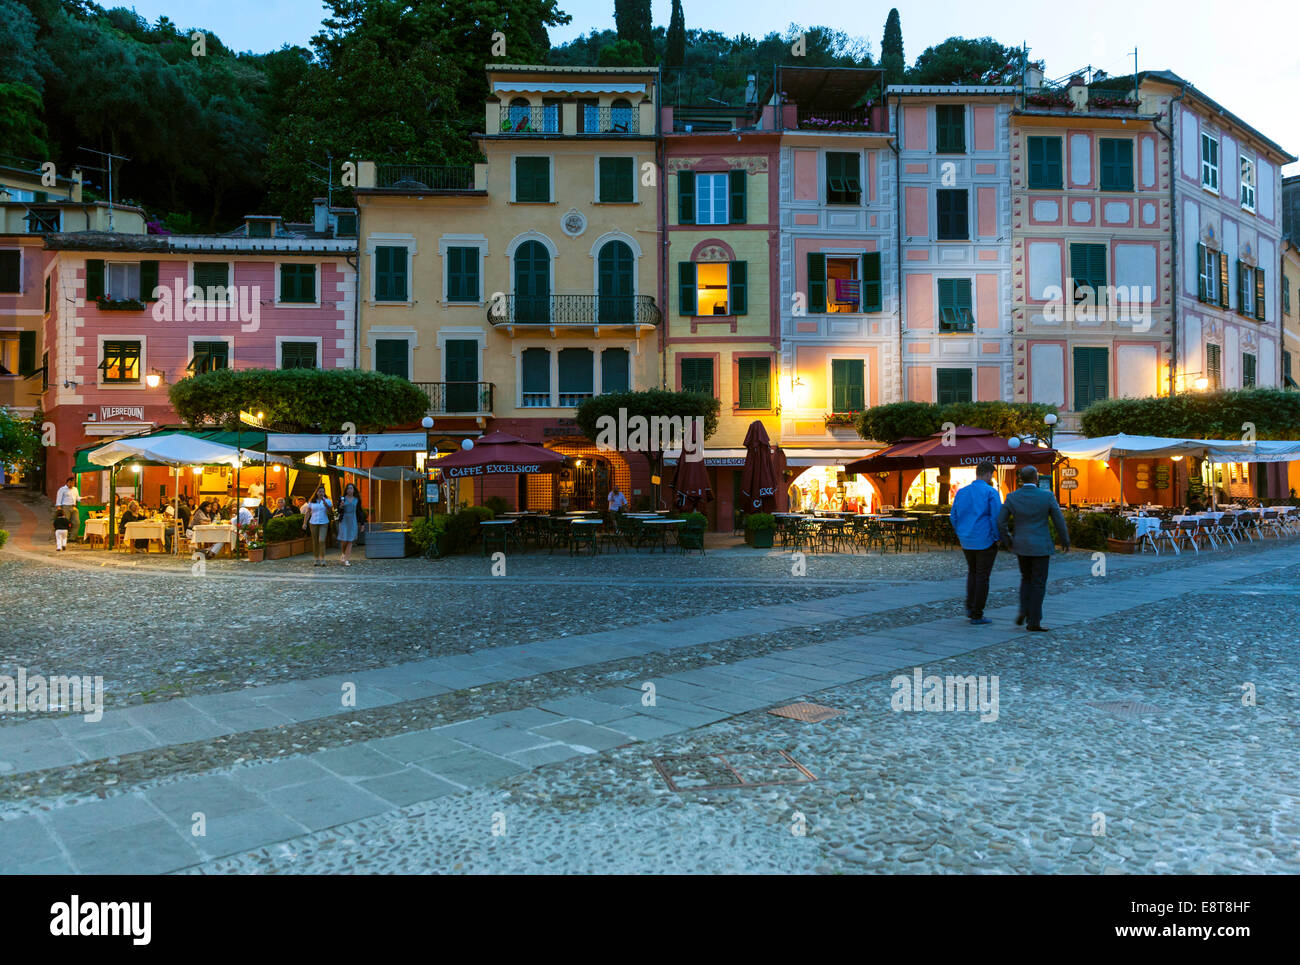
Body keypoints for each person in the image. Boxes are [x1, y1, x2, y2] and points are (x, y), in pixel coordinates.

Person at [997, 465, 1070, 632]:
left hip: (1021, 545)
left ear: (1020, 479)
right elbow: (1058, 520)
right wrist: (1064, 540)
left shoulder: (1012, 497)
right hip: (1041, 546)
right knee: (1038, 582)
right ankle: (1034, 620)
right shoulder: (1047, 496)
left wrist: (1009, 541)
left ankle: (1024, 608)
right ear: (1036, 478)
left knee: (1026, 578)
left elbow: (1000, 522)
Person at [950, 461, 1002, 625]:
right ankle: (977, 613)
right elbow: (996, 518)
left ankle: (970, 607)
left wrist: (961, 532)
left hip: (967, 540)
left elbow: (953, 516)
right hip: (985, 540)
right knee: (982, 577)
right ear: (988, 474)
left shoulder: (962, 492)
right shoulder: (990, 492)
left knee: (972, 573)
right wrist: (997, 537)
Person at [303, 485, 333, 566]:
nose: (321, 493)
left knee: (321, 540)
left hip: (324, 522)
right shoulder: (312, 502)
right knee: (315, 541)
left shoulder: (327, 501)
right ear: (316, 492)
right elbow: (308, 512)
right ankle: (316, 559)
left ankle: (322, 559)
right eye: (320, 491)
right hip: (313, 523)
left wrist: (326, 505)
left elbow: (331, 512)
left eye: (323, 491)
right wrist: (305, 523)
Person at [336, 482, 365, 566]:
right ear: (346, 490)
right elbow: (338, 510)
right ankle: (343, 553)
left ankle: (346, 559)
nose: (349, 490)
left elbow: (359, 512)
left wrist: (362, 524)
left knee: (350, 540)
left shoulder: (357, 500)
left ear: (354, 490)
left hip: (353, 520)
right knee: (344, 539)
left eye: (351, 488)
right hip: (344, 520)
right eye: (348, 488)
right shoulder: (342, 499)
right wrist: (341, 506)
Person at [54, 475, 81, 541]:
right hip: (65, 507)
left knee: (76, 522)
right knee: (65, 523)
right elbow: (59, 499)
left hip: (73, 507)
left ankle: (72, 538)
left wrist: (85, 498)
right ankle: (64, 538)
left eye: (73, 483)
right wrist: (59, 508)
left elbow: (78, 498)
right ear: (67, 482)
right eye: (70, 483)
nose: (71, 484)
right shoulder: (62, 489)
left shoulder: (75, 489)